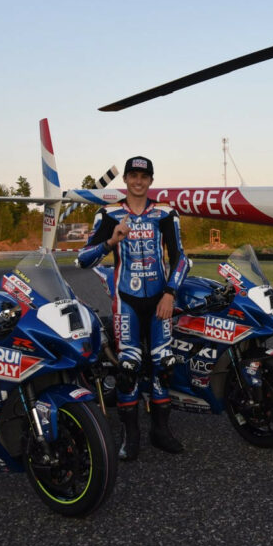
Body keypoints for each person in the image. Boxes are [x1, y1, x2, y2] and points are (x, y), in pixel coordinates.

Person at [77, 155, 188, 459]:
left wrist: (169, 293)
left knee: (164, 364)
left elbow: (181, 258)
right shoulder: (109, 215)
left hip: (159, 301)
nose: (138, 181)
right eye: (133, 176)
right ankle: (131, 435)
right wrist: (111, 242)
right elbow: (83, 259)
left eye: (144, 176)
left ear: (151, 180)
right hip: (125, 300)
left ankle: (161, 431)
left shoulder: (166, 213)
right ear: (125, 180)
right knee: (128, 367)